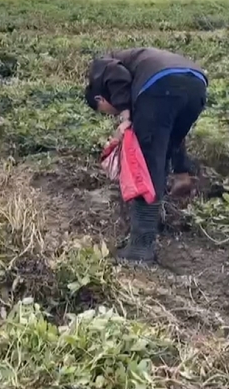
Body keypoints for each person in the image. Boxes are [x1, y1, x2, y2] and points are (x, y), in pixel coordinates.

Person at [85, 47, 208, 263]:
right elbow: (174, 137)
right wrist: (180, 168)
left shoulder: (101, 68)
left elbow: (117, 74)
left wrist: (124, 116)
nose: (111, 113)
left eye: (107, 110)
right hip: (196, 84)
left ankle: (141, 249)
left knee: (145, 165)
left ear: (100, 97)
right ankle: (182, 176)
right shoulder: (139, 64)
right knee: (167, 141)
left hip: (160, 85)